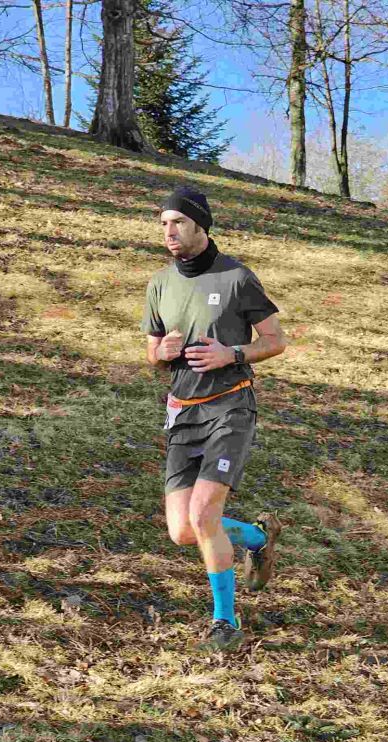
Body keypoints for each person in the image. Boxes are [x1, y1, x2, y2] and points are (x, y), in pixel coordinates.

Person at [141, 185, 286, 651]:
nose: (169, 232)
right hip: (183, 412)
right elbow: (152, 353)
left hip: (230, 406)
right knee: (183, 530)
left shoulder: (236, 278)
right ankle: (258, 537)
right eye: (164, 224)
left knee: (205, 513)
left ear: (201, 225)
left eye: (178, 222)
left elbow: (276, 340)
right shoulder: (159, 284)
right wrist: (161, 354)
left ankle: (226, 624)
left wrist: (232, 353)